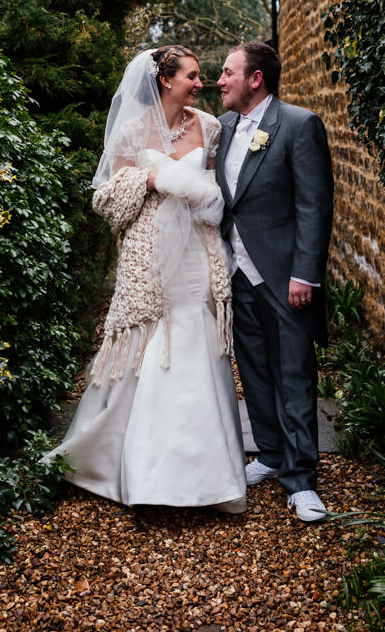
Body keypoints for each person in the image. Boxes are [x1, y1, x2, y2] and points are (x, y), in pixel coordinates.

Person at [47, 45, 247, 513]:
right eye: (193, 76)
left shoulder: (210, 128)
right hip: (149, 257)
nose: (202, 84)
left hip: (196, 256)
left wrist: (199, 194)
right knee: (152, 347)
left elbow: (219, 198)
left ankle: (206, 476)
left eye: (201, 77)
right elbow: (107, 201)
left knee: (195, 341)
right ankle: (145, 473)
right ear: (166, 80)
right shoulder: (132, 132)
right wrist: (151, 182)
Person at [215, 41, 334, 522]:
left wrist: (306, 272)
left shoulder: (300, 125)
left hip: (286, 277)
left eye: (227, 72)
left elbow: (314, 205)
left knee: (293, 374)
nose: (219, 81)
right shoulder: (222, 128)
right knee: (255, 369)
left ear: (255, 78)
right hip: (236, 272)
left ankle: (302, 481)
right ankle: (268, 453)